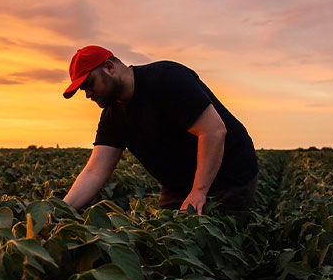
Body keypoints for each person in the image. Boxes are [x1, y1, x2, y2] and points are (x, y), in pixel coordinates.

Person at [61, 45, 258, 215]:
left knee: (211, 242)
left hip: (228, 177)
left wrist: (199, 191)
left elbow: (213, 131)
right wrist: (61, 211)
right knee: (167, 241)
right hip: (178, 188)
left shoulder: (166, 78)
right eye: (82, 90)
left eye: (89, 84)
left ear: (110, 68)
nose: (87, 94)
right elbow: (94, 171)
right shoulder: (113, 117)